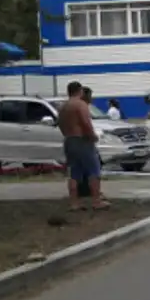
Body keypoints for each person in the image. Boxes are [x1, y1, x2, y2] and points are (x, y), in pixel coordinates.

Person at [58, 81, 109, 211]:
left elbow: (61, 124)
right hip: (82, 140)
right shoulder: (80, 105)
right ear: (80, 91)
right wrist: (92, 136)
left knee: (74, 173)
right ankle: (96, 201)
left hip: (69, 140)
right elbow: (85, 122)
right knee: (94, 170)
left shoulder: (63, 106)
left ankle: (74, 203)